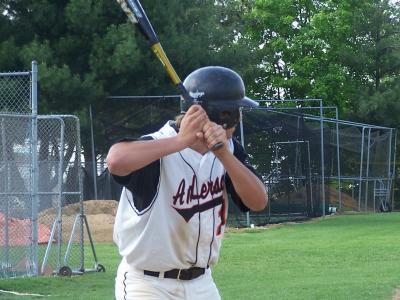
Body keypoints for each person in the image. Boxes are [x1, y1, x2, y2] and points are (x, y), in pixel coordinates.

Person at [107, 66, 268, 300]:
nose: (239, 118)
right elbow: (115, 160)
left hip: (202, 283)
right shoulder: (158, 146)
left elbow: (258, 201)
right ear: (221, 115)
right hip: (148, 284)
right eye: (235, 111)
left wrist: (223, 154)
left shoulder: (230, 151)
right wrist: (181, 140)